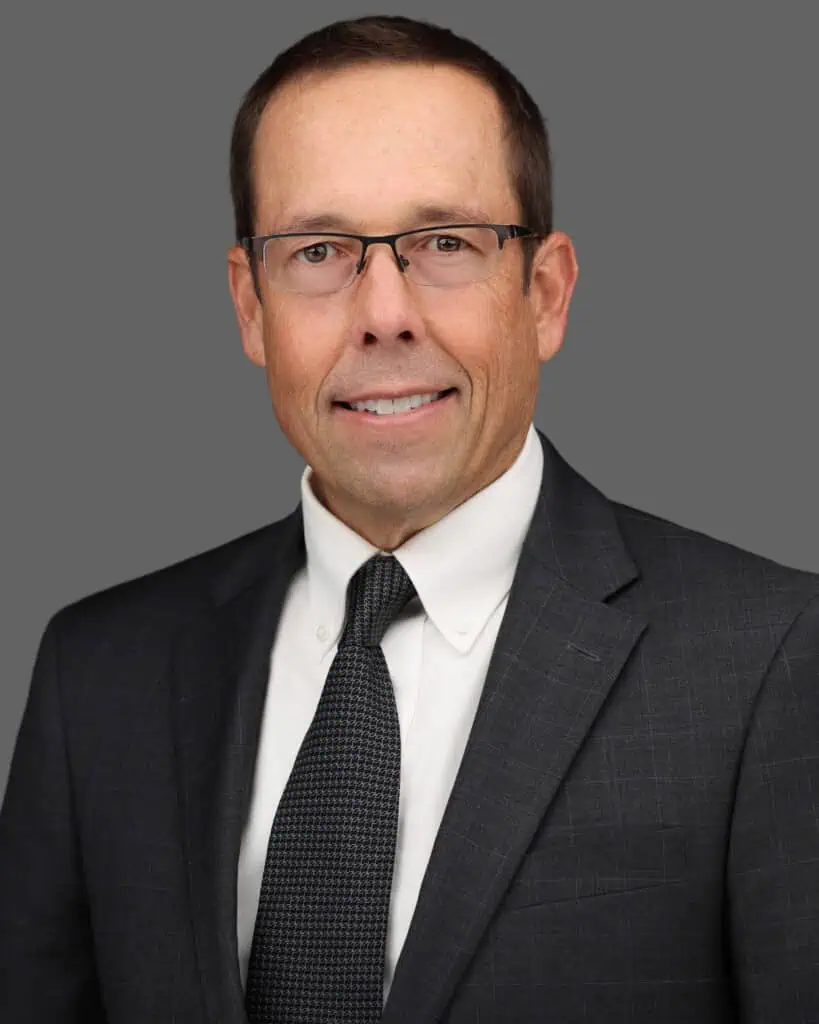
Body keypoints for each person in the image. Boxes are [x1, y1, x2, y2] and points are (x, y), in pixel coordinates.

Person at [1, 13, 818, 1023]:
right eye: (318, 251)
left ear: (546, 293)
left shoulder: (773, 658)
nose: (384, 312)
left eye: (443, 242)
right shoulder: (100, 672)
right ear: (251, 306)